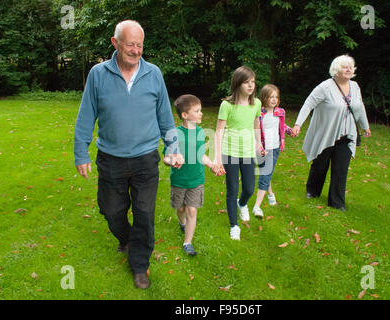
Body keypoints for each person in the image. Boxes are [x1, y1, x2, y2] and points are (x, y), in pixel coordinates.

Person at [73, 20, 183, 289]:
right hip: (110, 158)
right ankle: (127, 238)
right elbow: (86, 116)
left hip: (146, 159)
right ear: (115, 43)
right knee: (111, 211)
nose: (135, 50)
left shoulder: (154, 74)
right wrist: (80, 152)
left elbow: (166, 119)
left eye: (140, 45)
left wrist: (173, 148)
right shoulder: (98, 74)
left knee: (144, 214)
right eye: (130, 44)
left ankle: (139, 265)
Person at [292, 54, 371, 211]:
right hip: (326, 133)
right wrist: (298, 124)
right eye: (344, 66)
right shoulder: (325, 87)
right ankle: (312, 190)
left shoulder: (355, 87)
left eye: (350, 66)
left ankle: (337, 202)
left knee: (341, 169)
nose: (348, 69)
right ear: (336, 70)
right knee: (320, 165)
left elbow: (359, 107)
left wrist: (365, 125)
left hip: (347, 135)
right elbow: (308, 104)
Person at [163, 95, 224, 256]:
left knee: (192, 210)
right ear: (184, 115)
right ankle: (181, 221)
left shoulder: (199, 132)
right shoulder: (175, 134)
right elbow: (166, 157)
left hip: (196, 180)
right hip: (179, 180)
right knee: (180, 208)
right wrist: (172, 161)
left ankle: (187, 242)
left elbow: (200, 155)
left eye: (201, 110)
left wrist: (211, 165)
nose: (201, 113)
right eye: (197, 111)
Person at [214, 66, 264, 240]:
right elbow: (219, 131)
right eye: (246, 82)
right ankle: (234, 225)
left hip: (248, 152)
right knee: (232, 189)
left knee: (249, 188)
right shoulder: (226, 105)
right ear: (237, 84)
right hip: (230, 152)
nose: (251, 86)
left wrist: (259, 143)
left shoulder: (256, 103)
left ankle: (242, 204)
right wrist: (217, 157)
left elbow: (257, 123)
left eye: (253, 82)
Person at [252, 84, 295, 218]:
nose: (274, 100)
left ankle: (261, 202)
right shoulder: (259, 113)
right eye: (271, 97)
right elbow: (254, 129)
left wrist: (290, 131)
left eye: (276, 97)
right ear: (264, 97)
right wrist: (258, 146)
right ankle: (264, 201)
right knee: (266, 173)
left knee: (265, 174)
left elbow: (282, 126)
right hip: (262, 148)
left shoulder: (280, 112)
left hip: (275, 148)